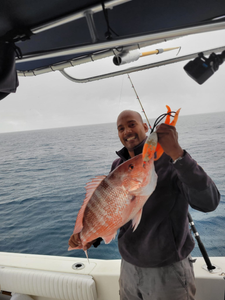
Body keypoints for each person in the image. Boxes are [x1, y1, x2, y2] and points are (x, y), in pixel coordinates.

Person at [69, 109, 220, 300]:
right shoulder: (118, 165)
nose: (127, 131)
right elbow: (118, 213)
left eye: (132, 124)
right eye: (121, 128)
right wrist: (92, 236)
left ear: (145, 127)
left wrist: (179, 156)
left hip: (167, 271)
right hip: (129, 268)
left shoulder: (172, 161)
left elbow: (210, 202)